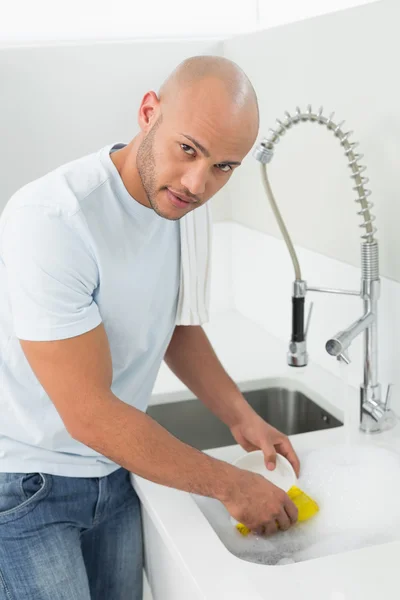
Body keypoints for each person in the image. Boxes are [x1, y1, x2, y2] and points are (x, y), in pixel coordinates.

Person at [0, 55, 300, 600]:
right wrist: (230, 484)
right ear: (148, 112)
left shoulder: (182, 208)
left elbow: (174, 324)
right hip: (25, 486)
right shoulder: (54, 218)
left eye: (223, 167)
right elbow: (89, 414)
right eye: (189, 149)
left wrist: (242, 417)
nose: (197, 182)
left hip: (117, 473)